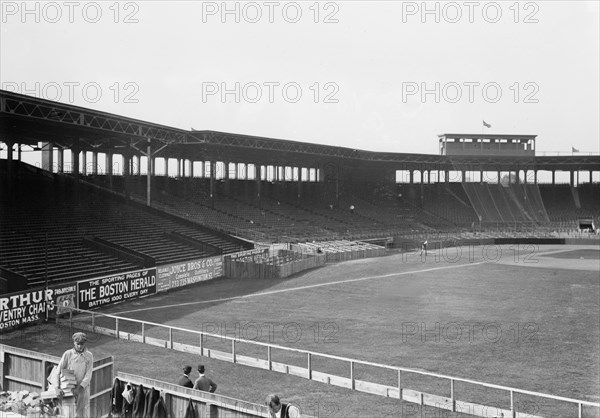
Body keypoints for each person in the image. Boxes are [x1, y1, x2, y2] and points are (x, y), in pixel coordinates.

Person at [55, 332, 93, 418]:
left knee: (81, 414)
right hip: (68, 390)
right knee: (68, 414)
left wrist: (79, 388)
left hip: (82, 390)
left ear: (85, 343)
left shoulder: (89, 356)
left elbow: (88, 374)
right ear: (74, 343)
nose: (80, 346)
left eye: (82, 344)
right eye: (78, 344)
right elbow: (58, 371)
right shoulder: (68, 354)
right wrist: (57, 387)